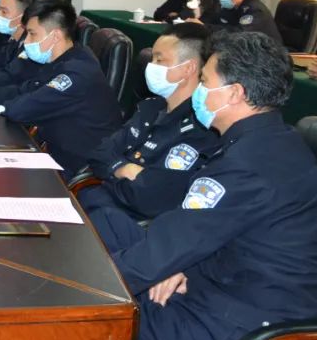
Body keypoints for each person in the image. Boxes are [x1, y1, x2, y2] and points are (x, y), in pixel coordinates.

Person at [85, 32, 317, 340]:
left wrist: (79, 288)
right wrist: (179, 264)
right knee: (109, 224)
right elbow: (208, 229)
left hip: (240, 334)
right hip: (223, 288)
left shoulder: (247, 163)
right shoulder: (270, 141)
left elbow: (173, 243)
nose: (198, 90)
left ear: (235, 93)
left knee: (85, 318)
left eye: (205, 81)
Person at [0, 0, 122, 174]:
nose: (26, 42)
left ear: (55, 36)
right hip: (52, 149)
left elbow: (21, 110)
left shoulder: (76, 73)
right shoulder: (64, 58)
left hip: (74, 165)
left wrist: (10, 102)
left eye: (32, 34)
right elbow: (25, 89)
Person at [78, 24, 221, 219]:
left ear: (187, 69)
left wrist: (113, 174)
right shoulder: (151, 108)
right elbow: (100, 152)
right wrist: (124, 168)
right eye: (152, 58)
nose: (151, 66)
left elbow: (150, 197)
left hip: (123, 220)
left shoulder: (202, 127)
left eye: (159, 60)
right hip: (96, 202)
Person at [196, 0, 283, 45]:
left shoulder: (255, 10)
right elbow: (216, 20)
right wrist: (198, 24)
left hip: (268, 52)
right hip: (245, 49)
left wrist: (205, 27)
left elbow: (239, 33)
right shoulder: (231, 6)